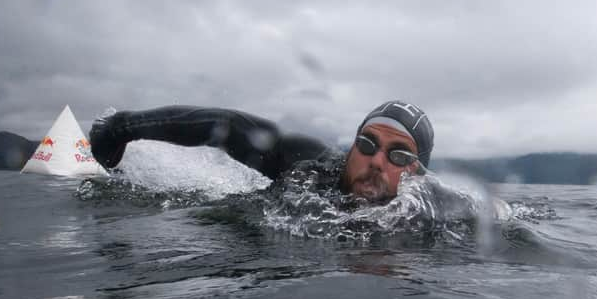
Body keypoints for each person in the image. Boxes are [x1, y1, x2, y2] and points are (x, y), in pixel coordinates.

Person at [89, 100, 434, 203]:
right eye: (367, 144)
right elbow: (227, 125)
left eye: (399, 155)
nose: (375, 161)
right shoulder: (310, 165)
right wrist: (120, 129)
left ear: (417, 173)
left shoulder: (432, 214)